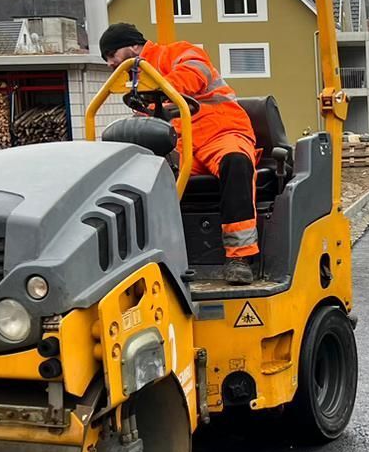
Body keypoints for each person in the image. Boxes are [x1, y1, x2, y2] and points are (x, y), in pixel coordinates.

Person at [99, 22, 260, 285]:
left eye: (110, 55)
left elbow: (195, 74)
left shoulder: (177, 53)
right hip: (181, 147)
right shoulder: (136, 85)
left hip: (221, 133)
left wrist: (161, 89)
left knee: (236, 162)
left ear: (132, 46)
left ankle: (240, 257)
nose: (109, 63)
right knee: (138, 178)